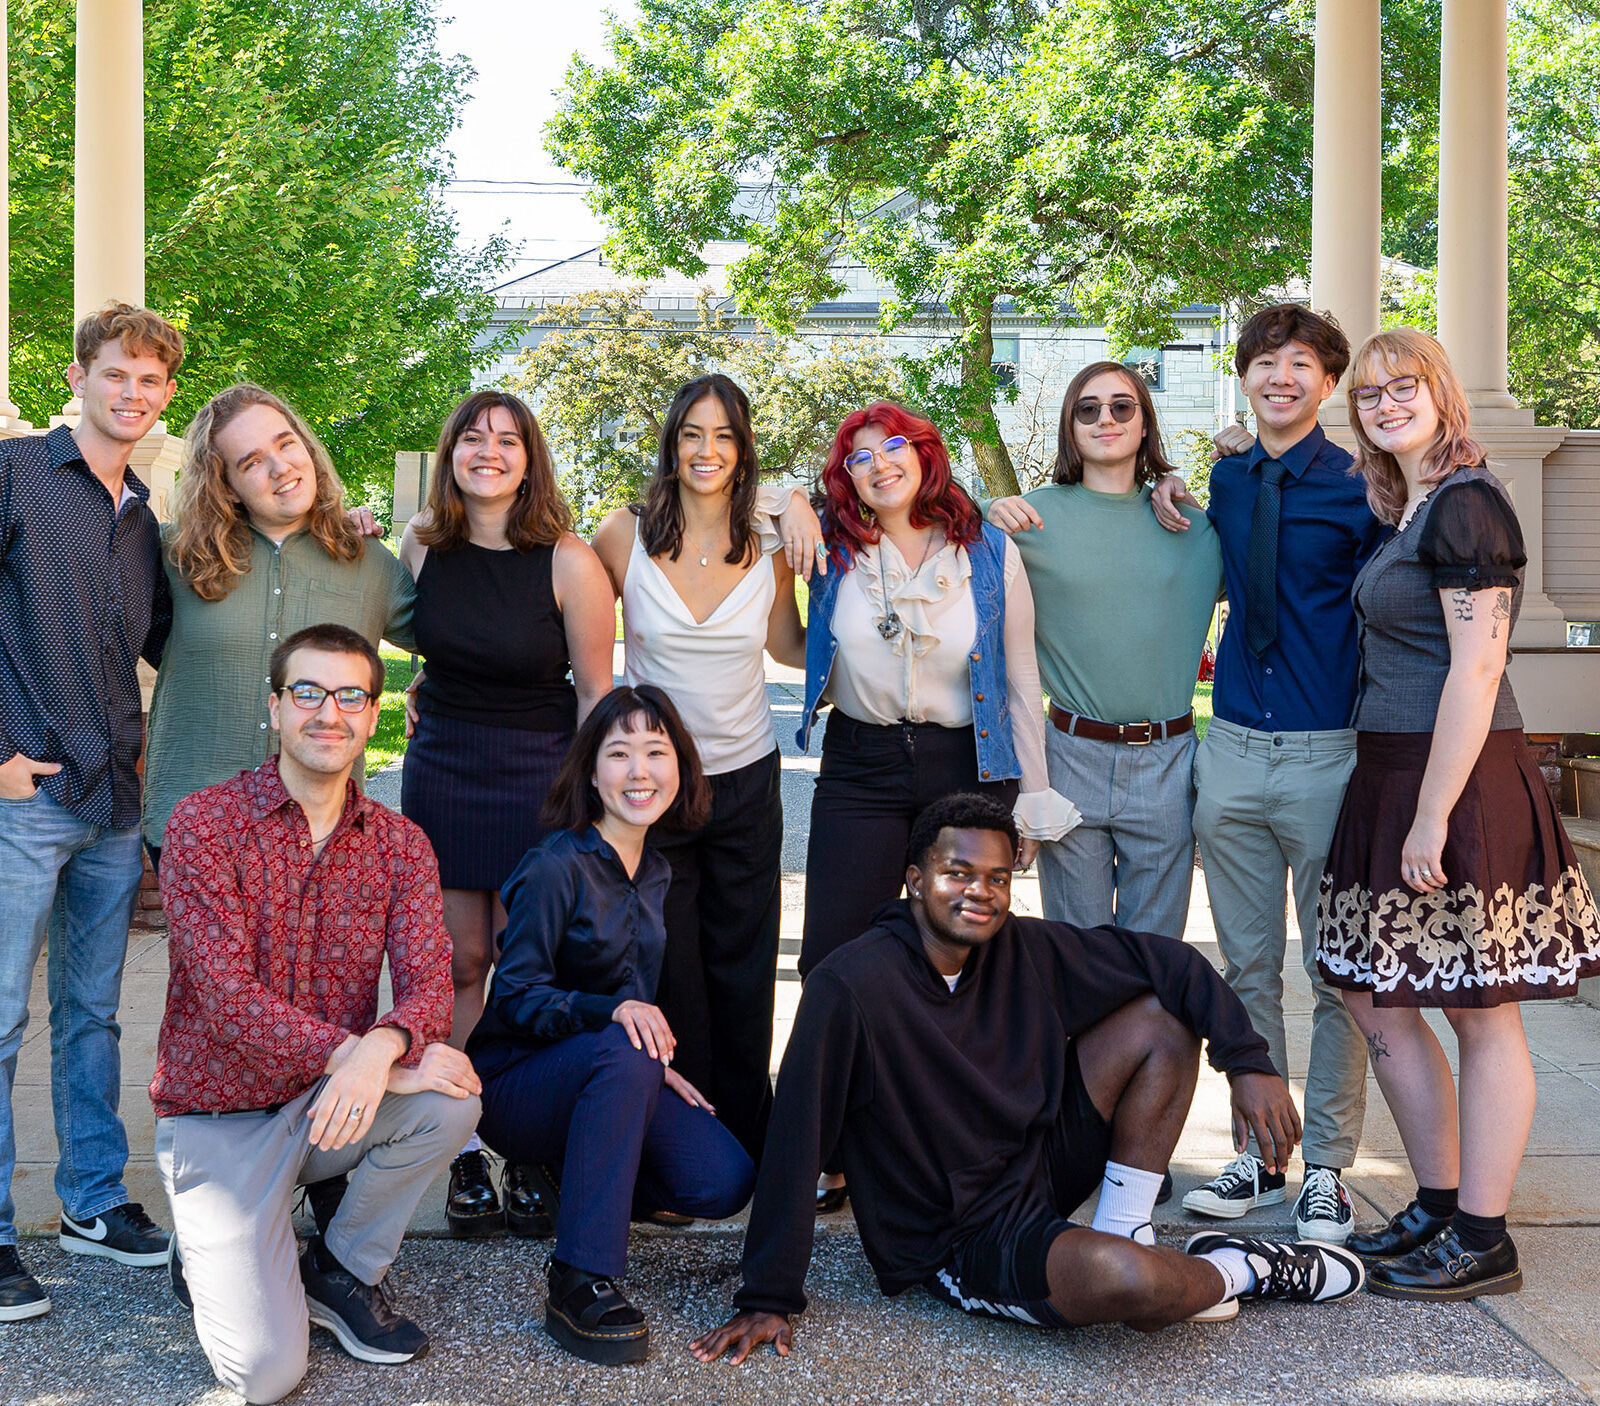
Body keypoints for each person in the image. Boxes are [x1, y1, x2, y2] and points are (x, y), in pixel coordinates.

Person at [689, 793, 1365, 1364]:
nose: (979, 892)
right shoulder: (851, 987)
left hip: (1038, 1169)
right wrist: (766, 1296)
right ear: (916, 879)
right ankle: (1247, 1267)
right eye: (958, 872)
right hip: (960, 1239)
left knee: (1160, 1019)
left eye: (996, 877)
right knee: (1135, 1291)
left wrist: (1246, 1059)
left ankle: (1127, 1224)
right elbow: (795, 1138)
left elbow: (1170, 963)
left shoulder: (1024, 949)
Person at [1315, 329, 1600, 1299]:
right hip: (1390, 769)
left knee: (1481, 1009)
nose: (1386, 400)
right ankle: (1439, 1203)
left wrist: (1432, 813)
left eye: (1404, 384)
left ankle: (1482, 1233)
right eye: (1368, 392)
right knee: (1376, 993)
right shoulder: (1409, 507)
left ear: (1441, 392)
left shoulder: (1470, 502)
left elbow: (1478, 670)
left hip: (1459, 780)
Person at [152, 623, 479, 1402]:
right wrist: (369, 1060)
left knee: (450, 1099)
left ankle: (341, 1269)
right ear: (275, 707)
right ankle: (206, 1245)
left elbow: (433, 983)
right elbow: (229, 1002)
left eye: (349, 697)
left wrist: (389, 1047)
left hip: (326, 1107)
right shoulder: (204, 825)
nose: (327, 713)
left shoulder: (400, 844)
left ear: (373, 716)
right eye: (307, 693)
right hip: (218, 1121)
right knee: (266, 1377)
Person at [798, 401, 1078, 1213]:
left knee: (964, 964)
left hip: (968, 764)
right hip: (862, 762)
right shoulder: (832, 545)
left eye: (894, 448)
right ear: (844, 478)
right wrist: (786, 498)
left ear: (926, 455)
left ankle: (964, 1147)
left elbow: (1022, 678)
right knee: (834, 958)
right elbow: (732, 496)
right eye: (858, 457)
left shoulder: (988, 549)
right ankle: (836, 1147)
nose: (879, 464)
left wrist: (1031, 795)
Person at [1153, 304, 1387, 1244]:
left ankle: (1327, 1167)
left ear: (1328, 384)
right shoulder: (1227, 477)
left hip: (1331, 757)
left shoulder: (1364, 487)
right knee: (1247, 967)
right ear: (1244, 376)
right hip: (1234, 752)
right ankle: (1260, 1151)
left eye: (1302, 365)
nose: (1281, 377)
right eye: (1264, 362)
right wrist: (1178, 481)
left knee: (1336, 973)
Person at [468, 685, 756, 1365]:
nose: (640, 772)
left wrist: (653, 1063)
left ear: (680, 768)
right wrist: (616, 1027)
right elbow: (513, 998)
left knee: (722, 1180)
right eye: (619, 753)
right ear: (590, 771)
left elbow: (631, 1004)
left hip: (602, 1070)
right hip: (515, 1085)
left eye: (657, 753)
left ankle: (575, 1176)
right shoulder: (555, 865)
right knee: (626, 1057)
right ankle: (579, 1276)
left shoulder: (655, 871)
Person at [0, 303, 182, 1323]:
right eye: (117, 372)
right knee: (0, 1019)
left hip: (113, 801)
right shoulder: (17, 474)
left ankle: (90, 1202)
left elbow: (165, 642)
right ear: (79, 376)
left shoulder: (141, 519)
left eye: (151, 380)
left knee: (93, 1014)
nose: (132, 392)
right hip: (26, 798)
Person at [398, 390, 615, 1236]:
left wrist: (599, 810)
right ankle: (457, 1152)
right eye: (474, 438)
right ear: (451, 450)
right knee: (459, 961)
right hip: (444, 766)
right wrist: (418, 688)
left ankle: (524, 1142)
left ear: (531, 459)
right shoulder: (422, 544)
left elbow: (597, 692)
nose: (490, 451)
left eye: (509, 440)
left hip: (541, 773)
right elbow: (417, 644)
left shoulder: (566, 557)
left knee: (530, 966)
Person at [591, 373, 812, 1163]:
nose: (707, 450)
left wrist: (809, 525)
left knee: (744, 965)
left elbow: (788, 647)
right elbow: (562, 622)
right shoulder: (622, 535)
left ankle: (745, 1140)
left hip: (747, 775)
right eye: (692, 433)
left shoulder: (774, 543)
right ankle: (679, 1145)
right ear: (671, 443)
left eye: (723, 434)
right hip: (653, 791)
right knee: (668, 966)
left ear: (743, 444)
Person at [984, 361, 1223, 938]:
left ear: (1146, 425)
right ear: (1070, 427)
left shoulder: (1195, 528)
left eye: (1123, 406)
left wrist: (1234, 455)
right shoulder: (1025, 520)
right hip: (1068, 754)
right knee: (1076, 950)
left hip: (1168, 758)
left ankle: (1145, 1035)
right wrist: (985, 516)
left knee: (1154, 952)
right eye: (1087, 409)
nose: (1105, 419)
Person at [144, 383, 416, 870]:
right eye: (250, 462)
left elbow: (461, 642)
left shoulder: (368, 560)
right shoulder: (173, 556)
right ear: (224, 483)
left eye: (286, 443)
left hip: (322, 835)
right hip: (196, 832)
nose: (280, 467)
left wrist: (428, 677)